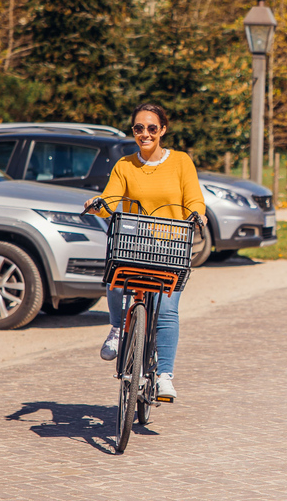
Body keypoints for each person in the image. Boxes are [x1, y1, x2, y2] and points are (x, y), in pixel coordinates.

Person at [83, 103, 206, 399]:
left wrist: (197, 215)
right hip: (136, 243)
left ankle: (164, 376)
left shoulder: (180, 162)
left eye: (152, 128)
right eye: (139, 128)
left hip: (171, 246)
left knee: (166, 309)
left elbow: (194, 198)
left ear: (162, 130)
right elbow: (112, 199)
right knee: (116, 274)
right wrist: (98, 204)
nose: (145, 134)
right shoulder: (125, 165)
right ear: (133, 131)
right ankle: (116, 328)